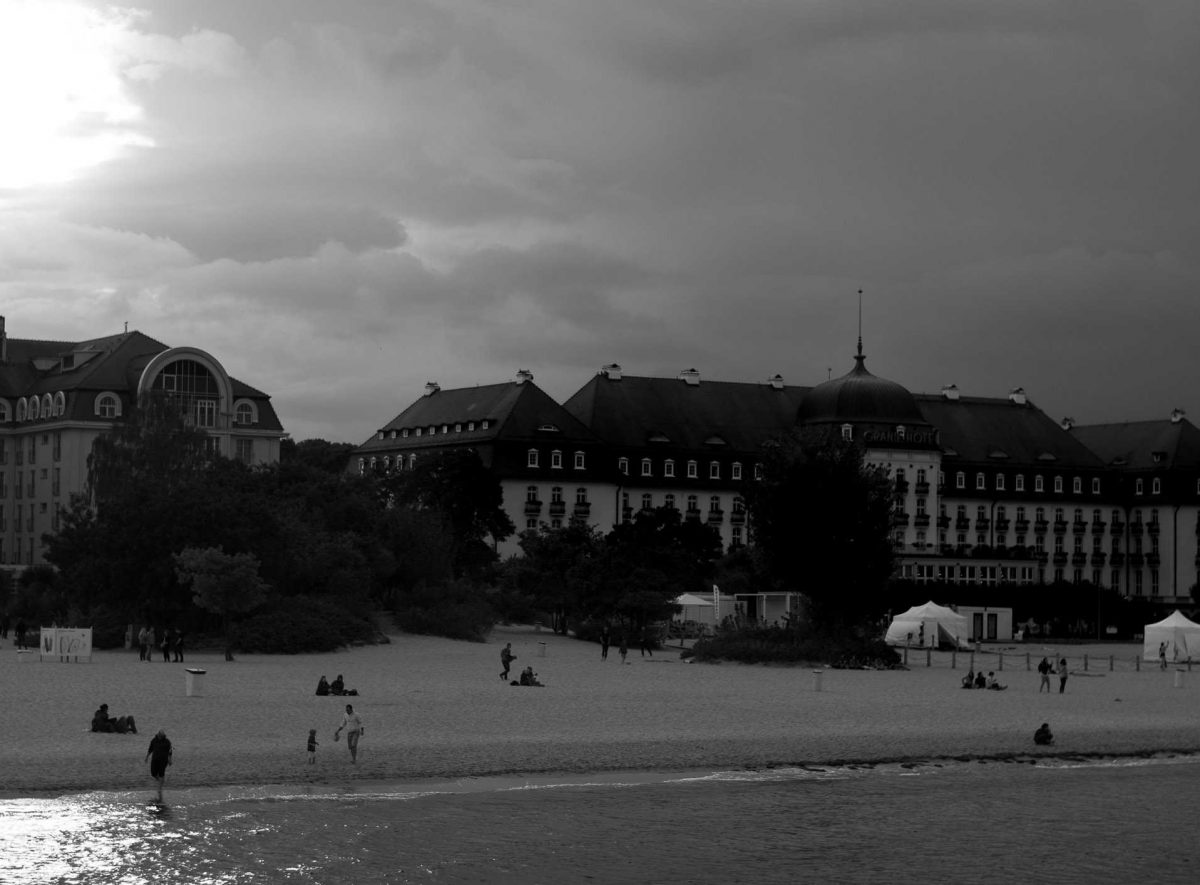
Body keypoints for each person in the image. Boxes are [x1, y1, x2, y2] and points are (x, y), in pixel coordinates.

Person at [146, 730, 172, 803]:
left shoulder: (167, 742)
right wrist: (147, 757)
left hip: (163, 760)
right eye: (159, 735)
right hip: (155, 759)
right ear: (158, 735)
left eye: (161, 736)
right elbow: (150, 748)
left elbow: (170, 751)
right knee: (153, 773)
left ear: (163, 736)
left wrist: (170, 759)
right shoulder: (154, 740)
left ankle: (160, 788)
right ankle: (161, 781)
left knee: (161, 773)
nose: (160, 737)